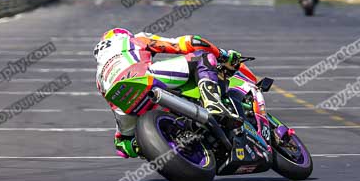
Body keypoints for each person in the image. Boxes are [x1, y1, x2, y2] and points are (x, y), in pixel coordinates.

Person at [93, 28, 256, 158]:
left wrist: (138, 143)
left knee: (123, 143)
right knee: (203, 57)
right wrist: (223, 55)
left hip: (122, 104)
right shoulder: (134, 39)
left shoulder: (99, 77)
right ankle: (213, 103)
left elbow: (122, 151)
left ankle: (142, 144)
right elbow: (190, 42)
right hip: (144, 78)